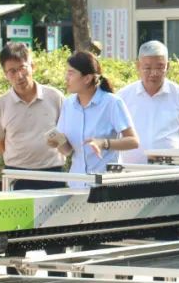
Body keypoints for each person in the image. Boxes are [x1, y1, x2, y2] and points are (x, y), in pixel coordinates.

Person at [50, 51, 139, 185]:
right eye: (66, 72)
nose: (66, 78)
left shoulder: (112, 103)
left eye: (71, 73)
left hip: (105, 184)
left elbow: (133, 141)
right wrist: (57, 142)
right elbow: (67, 151)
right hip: (76, 184)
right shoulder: (68, 104)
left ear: (87, 78)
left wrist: (104, 143)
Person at [0, 43, 66, 189]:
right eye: (12, 71)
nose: (19, 76)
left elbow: (66, 133)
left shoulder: (55, 97)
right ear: (5, 74)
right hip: (16, 175)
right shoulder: (0, 105)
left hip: (53, 173)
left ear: (32, 66)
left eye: (22, 68)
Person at [120, 40, 179, 165]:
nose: (154, 73)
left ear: (167, 66)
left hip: (171, 171)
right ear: (138, 66)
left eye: (159, 67)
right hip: (130, 170)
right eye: (147, 68)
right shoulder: (123, 97)